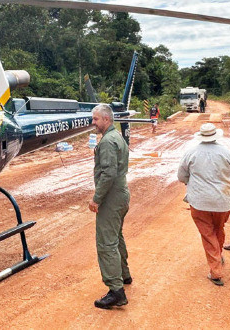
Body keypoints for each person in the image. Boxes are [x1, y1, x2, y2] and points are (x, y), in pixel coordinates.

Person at [178, 123, 230, 287]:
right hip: (222, 201)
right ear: (215, 136)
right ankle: (218, 256)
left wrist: (192, 183)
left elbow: (181, 176)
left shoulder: (191, 152)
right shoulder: (227, 153)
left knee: (207, 234)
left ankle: (216, 271)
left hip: (199, 202)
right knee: (218, 229)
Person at [89, 104, 131, 309]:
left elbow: (108, 174)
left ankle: (116, 290)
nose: (93, 123)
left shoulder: (107, 142)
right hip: (121, 193)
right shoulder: (117, 137)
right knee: (117, 236)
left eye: (96, 119)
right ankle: (124, 275)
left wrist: (96, 199)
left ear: (106, 119)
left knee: (106, 242)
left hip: (112, 196)